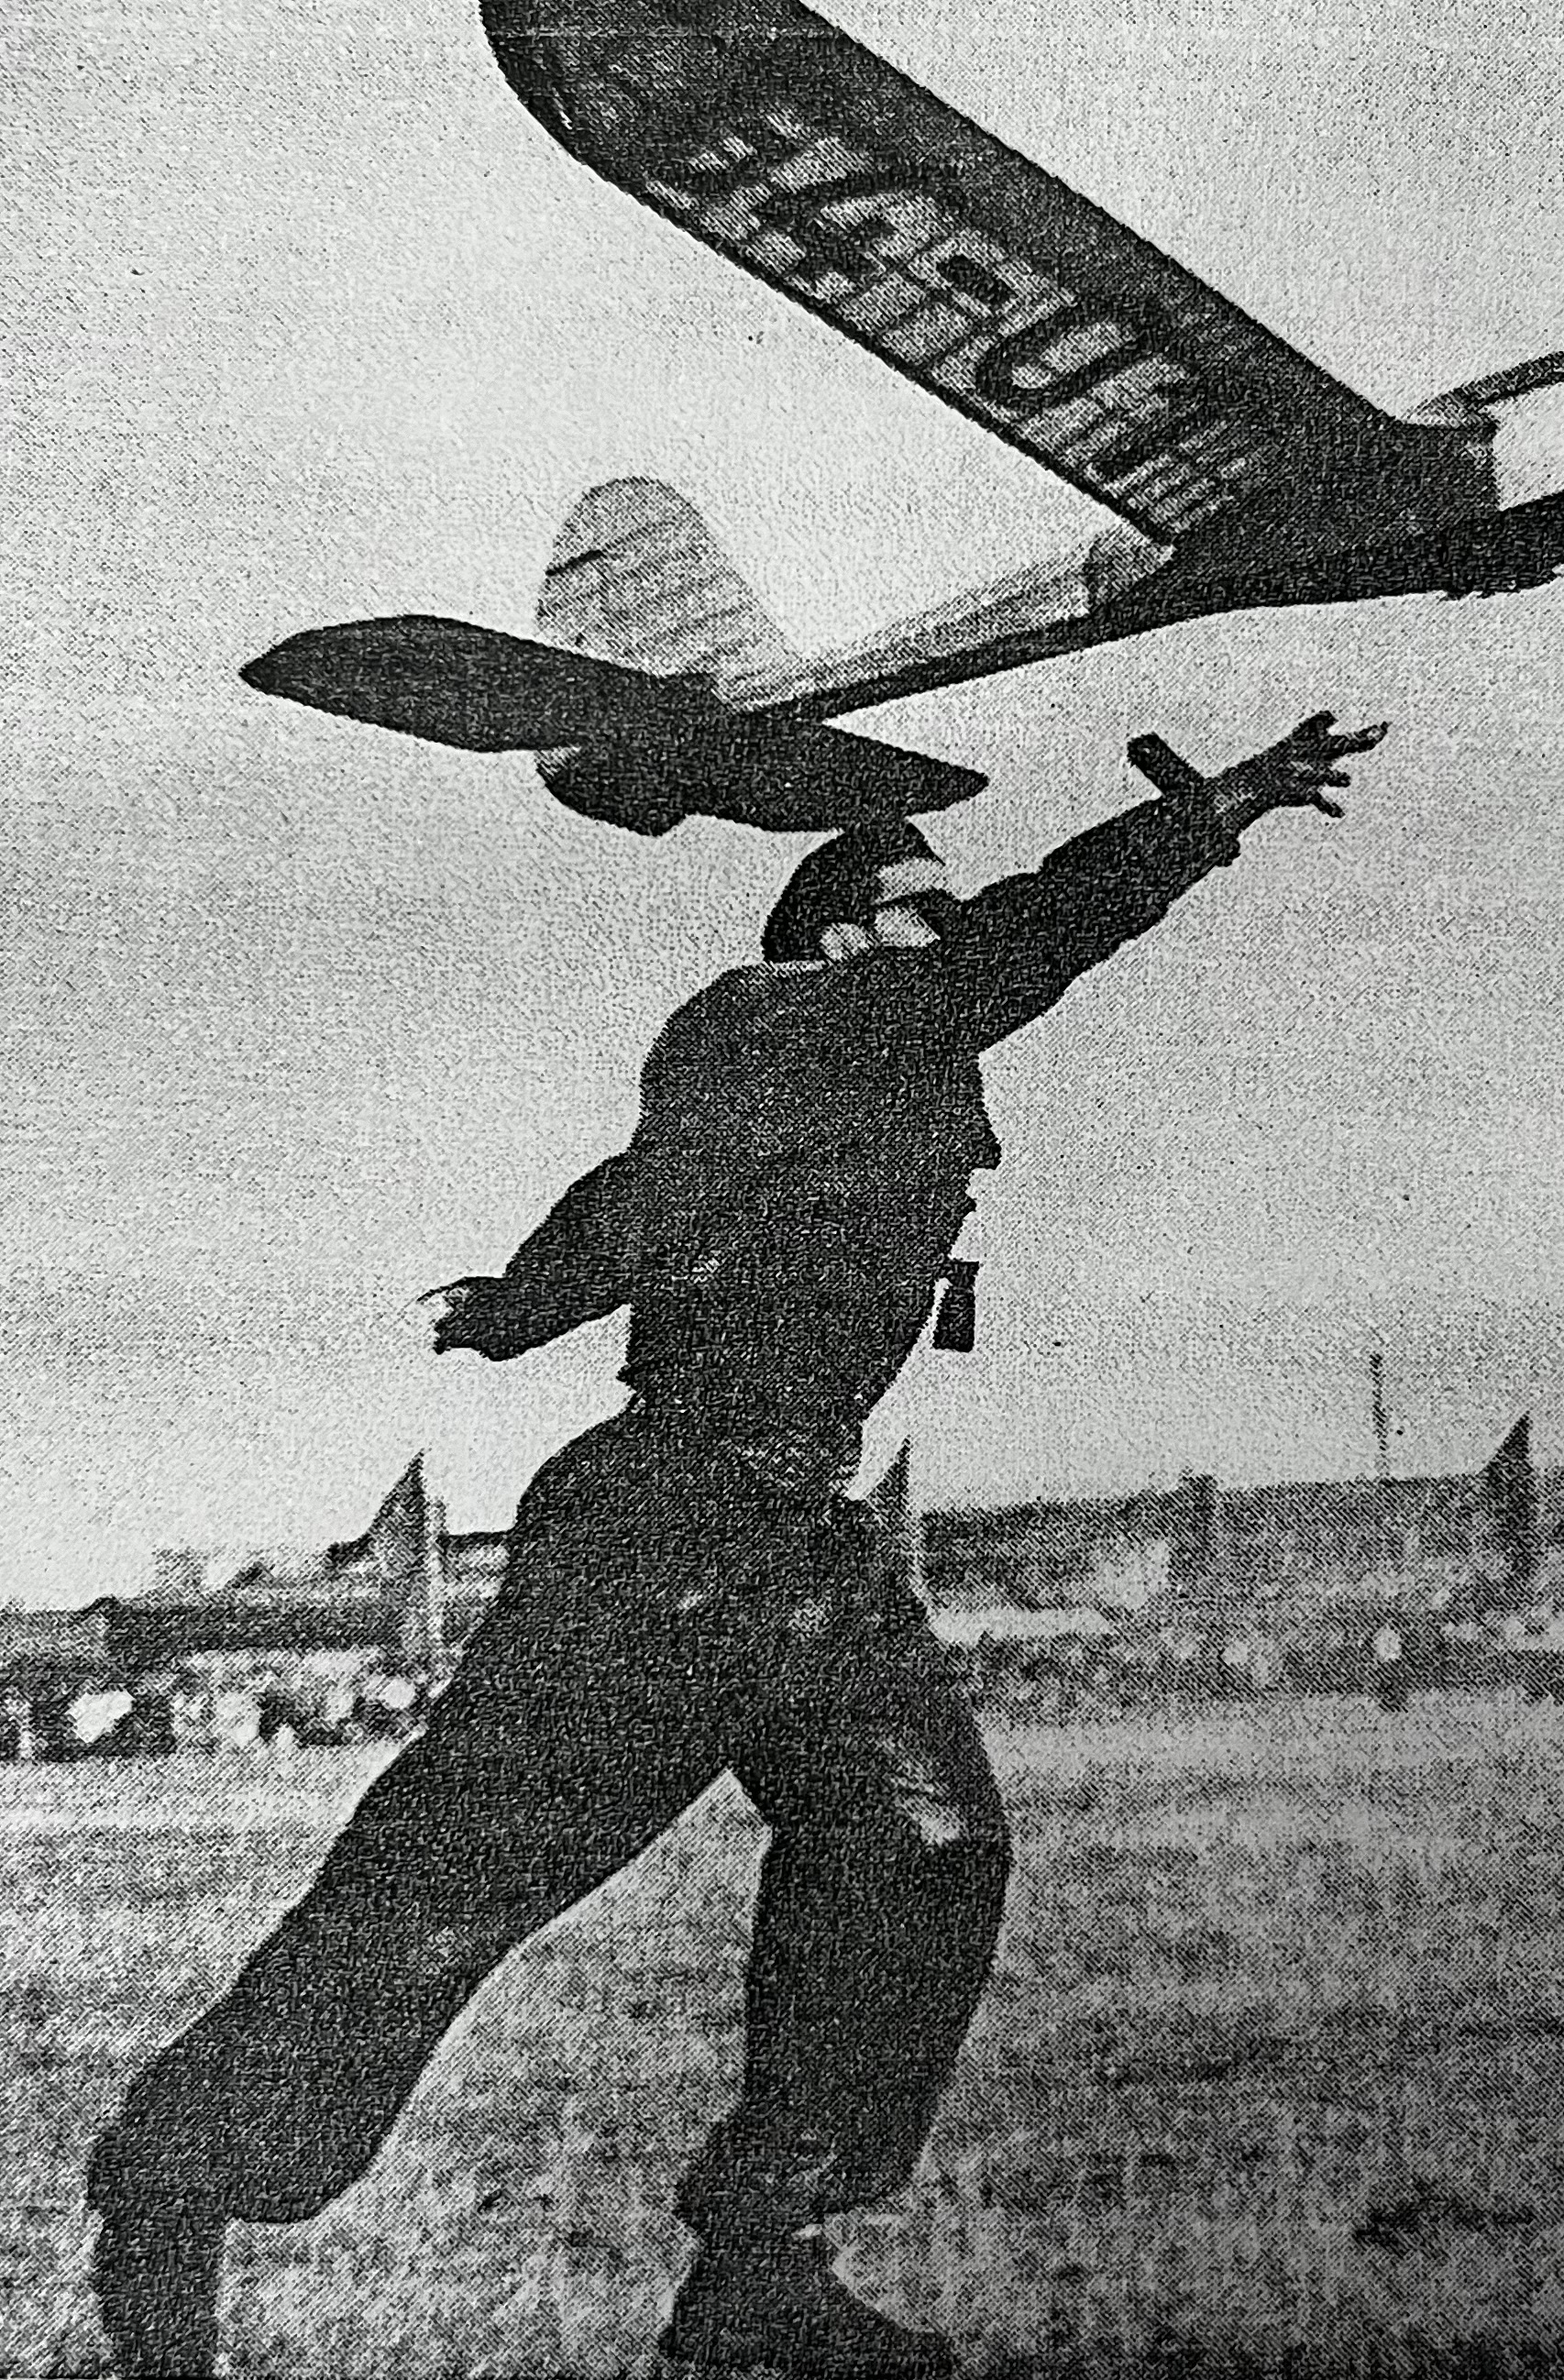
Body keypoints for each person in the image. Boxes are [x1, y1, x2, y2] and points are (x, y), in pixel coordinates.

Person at [84, 709, 1383, 2380]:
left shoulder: (856, 1067)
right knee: (448, 1891)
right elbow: (1022, 942)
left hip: (797, 1539)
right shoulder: (780, 1013)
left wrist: (526, 1297)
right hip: (663, 1531)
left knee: (922, 1851)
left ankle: (760, 2262)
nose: (951, 934)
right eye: (922, 912)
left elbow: (630, 1197)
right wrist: (1213, 815)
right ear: (837, 939)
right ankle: (175, 2188)